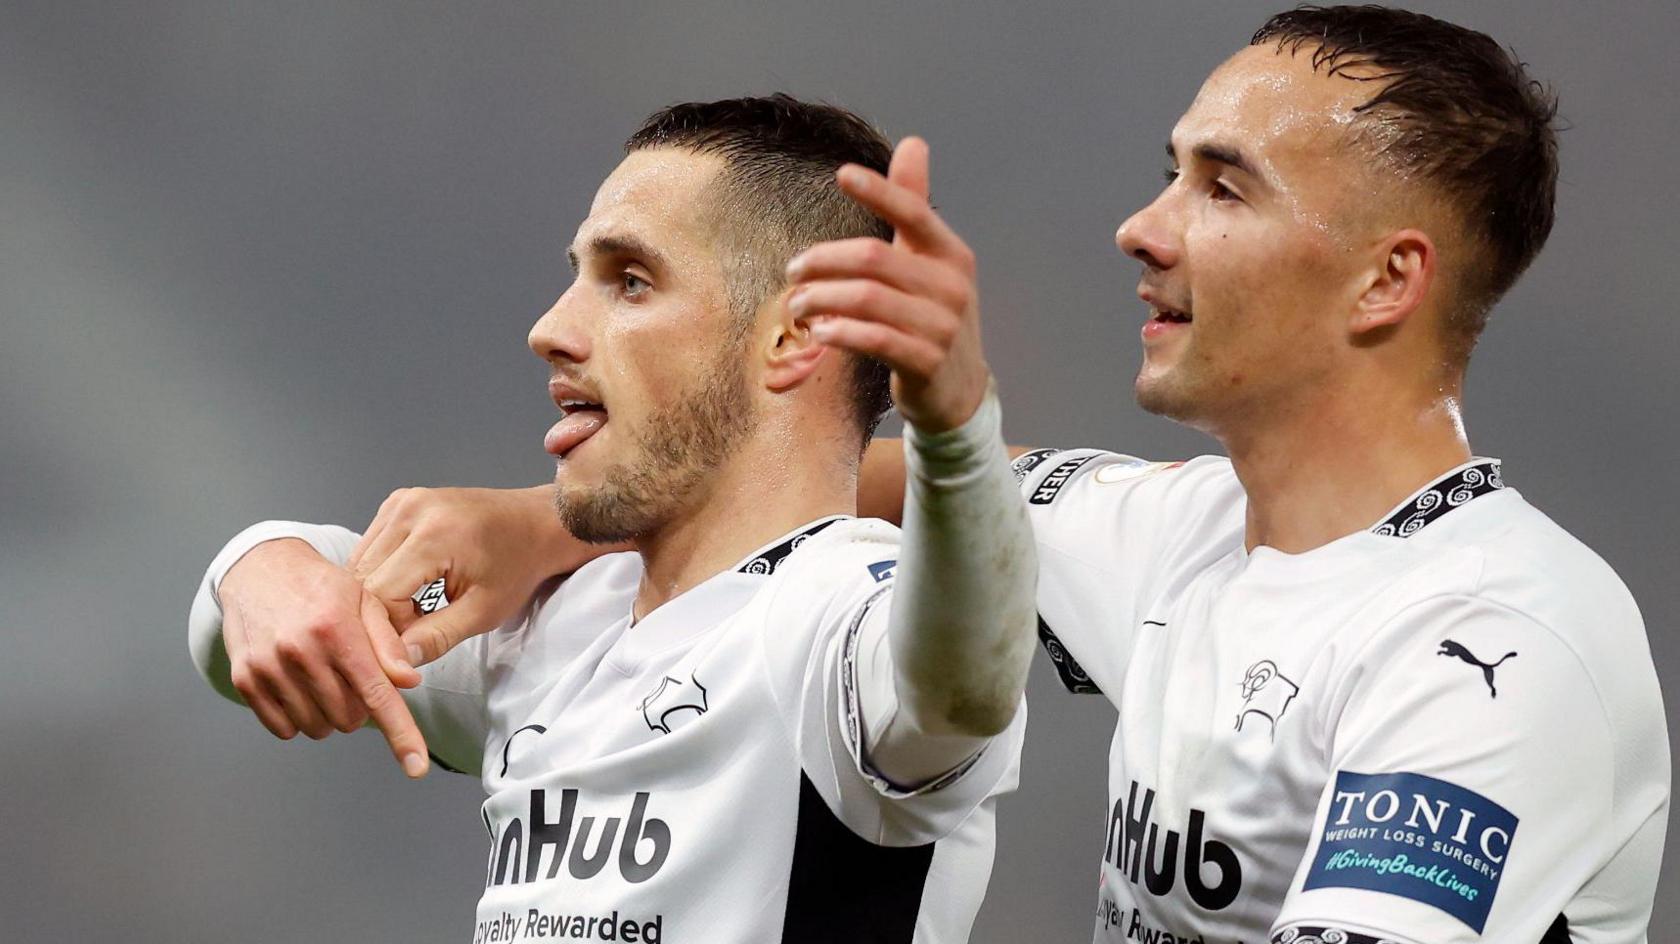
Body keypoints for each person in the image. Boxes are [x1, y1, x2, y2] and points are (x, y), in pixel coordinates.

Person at [321, 7, 1671, 943]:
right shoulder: (1175, 533)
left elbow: (953, 485)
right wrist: (544, 521)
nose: (1143, 228)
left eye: (1225, 187)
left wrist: (957, 411)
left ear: (1388, 280)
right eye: (1167, 174)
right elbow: (873, 481)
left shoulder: (1497, 641)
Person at [187, 95, 1042, 943]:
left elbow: (959, 686)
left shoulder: (838, 618)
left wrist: (956, 425)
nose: (549, 330)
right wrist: (258, 567)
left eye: (630, 282)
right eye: (575, 278)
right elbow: (254, 627)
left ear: (794, 335)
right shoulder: (557, 623)